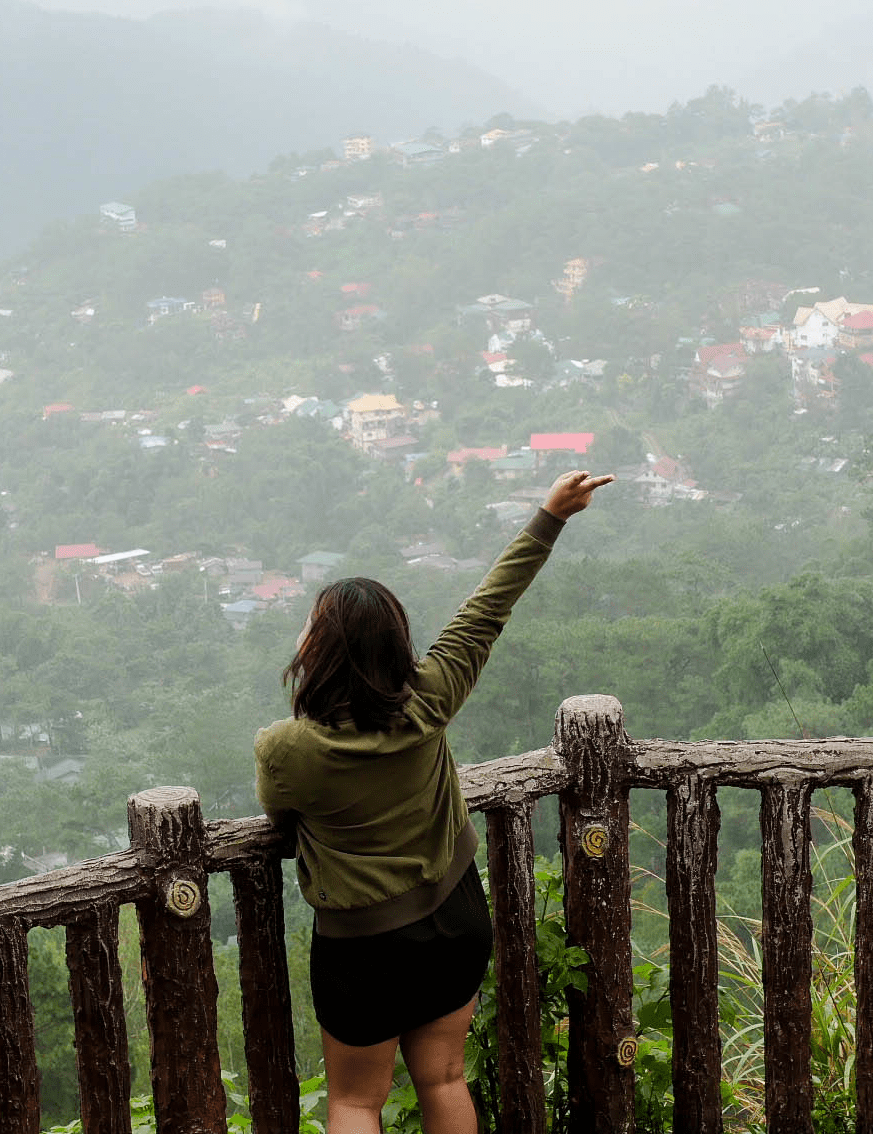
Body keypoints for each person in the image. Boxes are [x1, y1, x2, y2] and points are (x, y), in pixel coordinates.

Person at [254, 469, 613, 1134]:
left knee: (357, 1101)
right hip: (453, 919)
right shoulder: (430, 698)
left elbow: (282, 816)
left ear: (320, 649)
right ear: (395, 644)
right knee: (444, 1078)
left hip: (362, 944)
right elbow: (487, 609)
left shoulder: (287, 749)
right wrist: (550, 516)